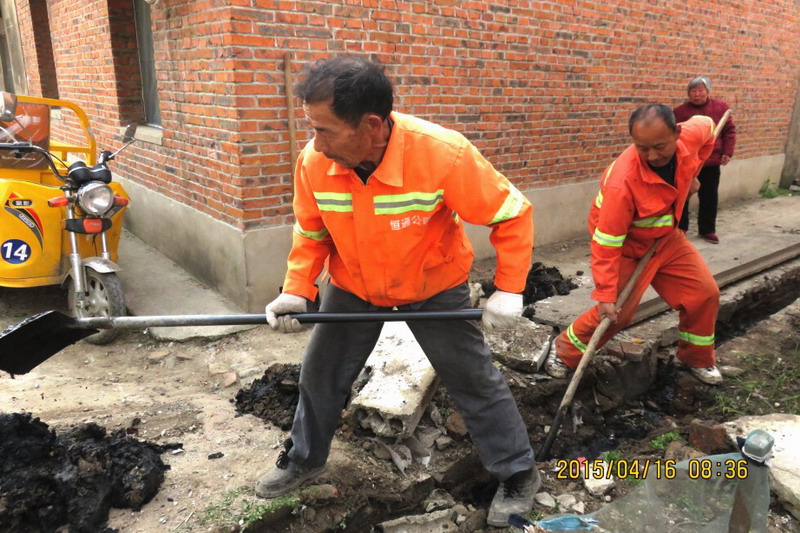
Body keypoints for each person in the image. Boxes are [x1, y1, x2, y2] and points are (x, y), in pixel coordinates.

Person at [256, 55, 539, 527]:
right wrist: (297, 289)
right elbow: (311, 232)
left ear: (371, 124)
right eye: (312, 129)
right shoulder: (315, 162)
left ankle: (518, 473)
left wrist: (509, 288)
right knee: (320, 374)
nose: (316, 143)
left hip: (432, 284)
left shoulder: (442, 154)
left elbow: (511, 213)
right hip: (354, 285)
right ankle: (304, 459)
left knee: (473, 380)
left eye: (325, 130)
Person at [544, 104, 724, 386]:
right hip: (627, 246)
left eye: (659, 147)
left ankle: (696, 358)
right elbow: (606, 243)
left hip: (667, 238)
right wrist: (606, 295)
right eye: (642, 148)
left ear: (677, 133)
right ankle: (564, 351)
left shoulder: (691, 134)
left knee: (704, 294)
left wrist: (693, 174)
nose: (652, 156)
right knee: (616, 314)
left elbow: (709, 126)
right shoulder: (623, 181)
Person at [674, 76, 736, 244]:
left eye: (701, 90)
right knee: (682, 195)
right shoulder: (679, 112)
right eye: (693, 91)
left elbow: (729, 131)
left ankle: (707, 229)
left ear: (708, 91)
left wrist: (727, 152)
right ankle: (681, 228)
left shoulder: (720, 108)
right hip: (687, 162)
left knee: (709, 196)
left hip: (710, 161)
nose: (697, 94)